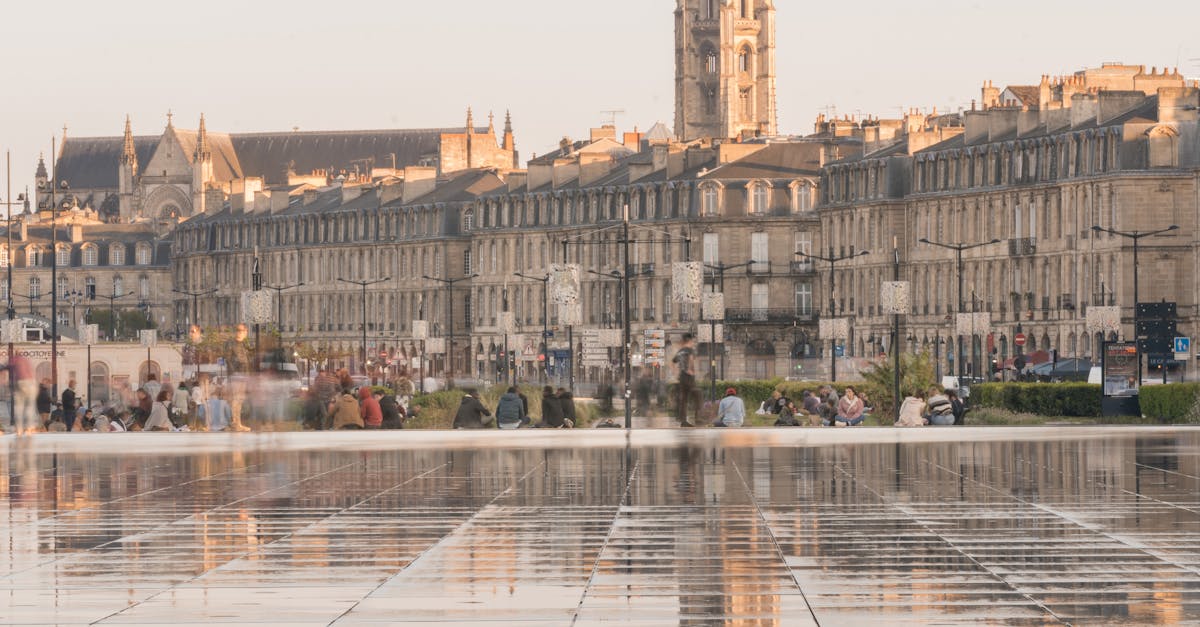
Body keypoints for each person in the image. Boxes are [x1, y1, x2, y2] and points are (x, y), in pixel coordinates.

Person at [2, 354, 38, 435]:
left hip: (19, 382)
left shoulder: (14, 359)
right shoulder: (26, 360)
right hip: (30, 382)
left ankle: (19, 429)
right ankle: (30, 427)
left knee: (18, 407)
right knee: (30, 406)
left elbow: (4, 367)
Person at [672, 333, 698, 427]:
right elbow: (691, 360)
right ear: (689, 341)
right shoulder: (690, 350)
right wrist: (691, 371)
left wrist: (675, 374)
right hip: (688, 376)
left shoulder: (680, 351)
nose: (693, 343)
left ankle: (683, 421)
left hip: (681, 376)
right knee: (696, 396)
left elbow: (673, 362)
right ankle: (699, 419)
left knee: (684, 399)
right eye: (692, 341)